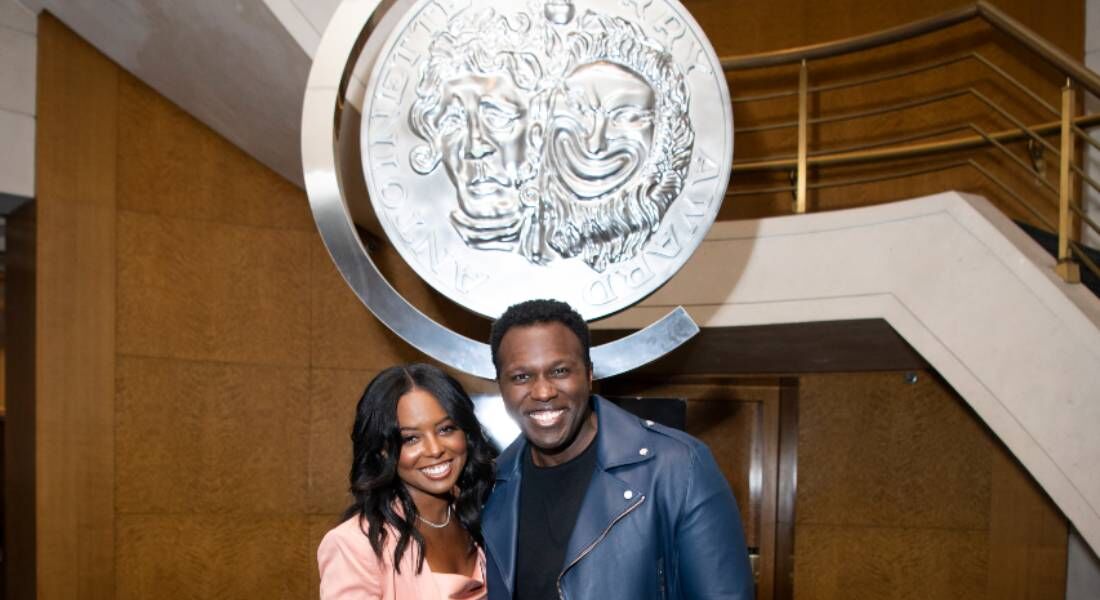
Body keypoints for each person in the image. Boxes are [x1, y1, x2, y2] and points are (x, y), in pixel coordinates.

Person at [482, 299, 753, 600]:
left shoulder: (678, 467)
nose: (543, 391)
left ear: (588, 375)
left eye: (559, 371)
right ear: (501, 387)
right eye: (521, 376)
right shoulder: (492, 485)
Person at [318, 364, 498, 599]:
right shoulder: (354, 545)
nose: (435, 450)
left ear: (466, 432)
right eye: (411, 439)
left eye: (446, 429)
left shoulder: (484, 515)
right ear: (382, 451)